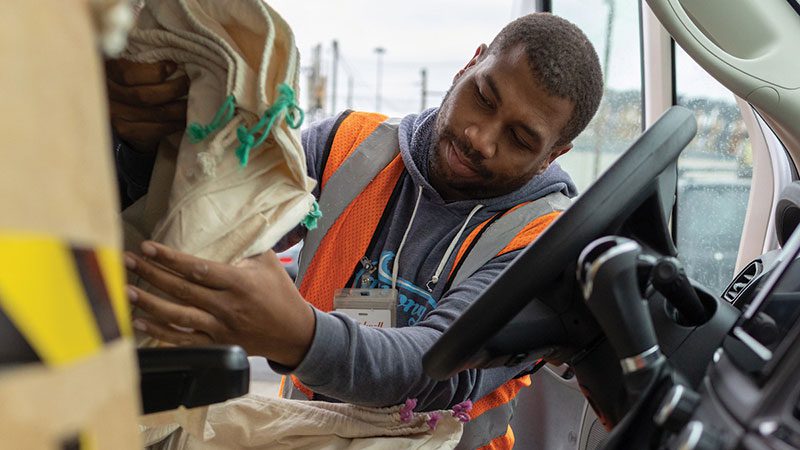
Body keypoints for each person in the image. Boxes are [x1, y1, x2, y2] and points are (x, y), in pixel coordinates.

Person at [114, 12, 603, 449]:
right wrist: (140, 146)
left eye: (519, 139)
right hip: (303, 436)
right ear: (470, 64)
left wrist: (298, 337)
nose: (481, 137)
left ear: (554, 155)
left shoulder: (546, 242)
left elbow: (438, 366)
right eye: (483, 97)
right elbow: (209, 218)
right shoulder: (347, 144)